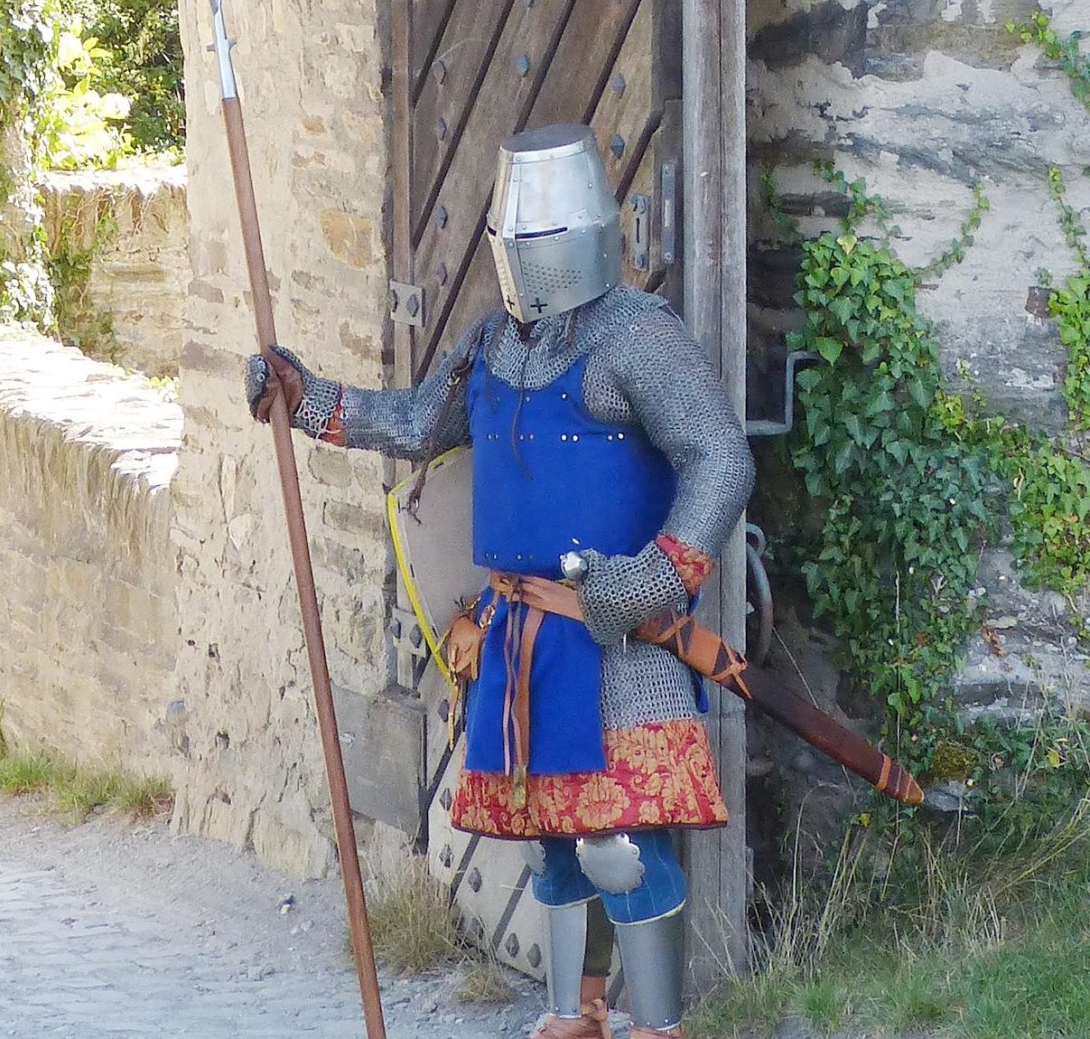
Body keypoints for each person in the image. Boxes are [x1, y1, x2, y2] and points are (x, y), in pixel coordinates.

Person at [243, 123, 752, 1039]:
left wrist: (658, 576)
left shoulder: (639, 336)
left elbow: (718, 457)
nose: (522, 253)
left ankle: (658, 1028)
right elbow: (415, 423)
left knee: (622, 846)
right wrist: (306, 397)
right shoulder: (490, 346)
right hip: (521, 640)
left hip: (615, 639)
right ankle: (572, 1015)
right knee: (554, 845)